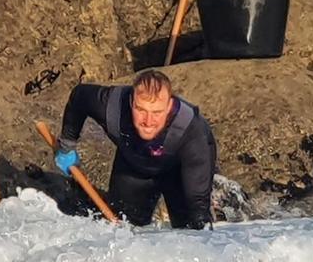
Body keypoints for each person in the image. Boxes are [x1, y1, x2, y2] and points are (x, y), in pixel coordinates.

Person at [53, 69, 216, 228]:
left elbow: (198, 203)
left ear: (169, 107)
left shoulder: (191, 129)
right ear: (131, 101)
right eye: (140, 110)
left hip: (179, 170)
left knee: (190, 227)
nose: (148, 121)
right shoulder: (111, 104)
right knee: (126, 229)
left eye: (157, 112)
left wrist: (200, 224)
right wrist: (67, 145)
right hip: (134, 164)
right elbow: (79, 96)